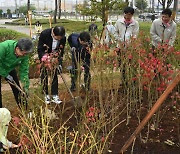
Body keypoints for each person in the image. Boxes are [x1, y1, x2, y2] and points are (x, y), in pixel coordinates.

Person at [0, 38, 33, 108]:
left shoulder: (24, 55)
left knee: (17, 88)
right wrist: (6, 75)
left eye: (26, 54)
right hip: (1, 66)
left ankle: (24, 108)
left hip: (10, 68)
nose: (24, 55)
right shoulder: (4, 47)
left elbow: (24, 71)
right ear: (17, 48)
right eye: (23, 53)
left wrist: (25, 87)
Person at [37, 26, 66, 104]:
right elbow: (40, 49)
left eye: (60, 38)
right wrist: (45, 58)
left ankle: (54, 95)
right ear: (53, 33)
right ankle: (46, 94)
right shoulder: (44, 34)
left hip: (55, 57)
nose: (59, 39)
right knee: (44, 75)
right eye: (57, 38)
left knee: (54, 75)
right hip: (45, 57)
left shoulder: (63, 38)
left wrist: (59, 62)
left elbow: (61, 50)